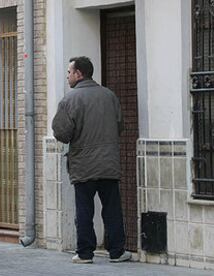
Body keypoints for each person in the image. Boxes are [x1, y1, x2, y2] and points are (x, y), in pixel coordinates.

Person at [52, 57, 131, 263]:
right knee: (112, 209)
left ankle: (85, 253)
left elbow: (62, 133)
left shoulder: (69, 100)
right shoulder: (109, 96)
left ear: (79, 74)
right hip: (108, 164)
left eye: (69, 72)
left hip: (83, 165)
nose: (67, 76)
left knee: (85, 210)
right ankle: (117, 251)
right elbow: (120, 125)